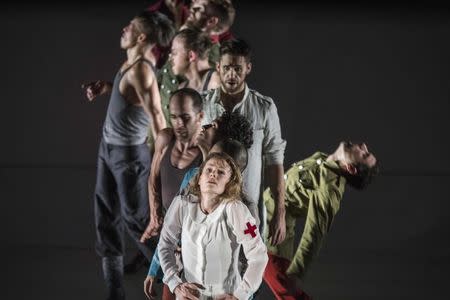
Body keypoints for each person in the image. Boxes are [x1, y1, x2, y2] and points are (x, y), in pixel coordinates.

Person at [82, 11, 174, 300]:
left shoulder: (142, 70)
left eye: (130, 27)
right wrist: (108, 88)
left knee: (138, 222)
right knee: (106, 217)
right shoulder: (130, 63)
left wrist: (161, 163)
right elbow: (130, 96)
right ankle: (115, 290)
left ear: (142, 37)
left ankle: (175, 279)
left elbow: (158, 117)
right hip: (107, 149)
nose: (124, 29)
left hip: (129, 157)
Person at [263, 141, 379, 300]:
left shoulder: (330, 188)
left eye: (364, 154)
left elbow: (315, 231)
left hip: (271, 236)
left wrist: (297, 273)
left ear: (350, 168)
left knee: (287, 292)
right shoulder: (323, 160)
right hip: (258, 213)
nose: (364, 145)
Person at [202, 38, 287, 245]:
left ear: (248, 68)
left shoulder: (264, 108)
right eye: (227, 68)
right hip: (209, 206)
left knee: (249, 266)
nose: (232, 74)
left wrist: (280, 213)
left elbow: (274, 161)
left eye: (238, 69)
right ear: (218, 67)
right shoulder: (203, 105)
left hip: (248, 208)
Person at [158, 152, 268, 299]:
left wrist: (240, 295)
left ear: (229, 183)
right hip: (189, 295)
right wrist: (175, 284)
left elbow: (258, 255)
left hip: (226, 295)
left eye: (221, 172)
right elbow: (165, 244)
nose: (213, 174)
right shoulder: (181, 205)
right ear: (199, 179)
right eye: (209, 170)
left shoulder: (236, 209)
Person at [140, 87, 205, 243]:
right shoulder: (165, 138)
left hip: (196, 234)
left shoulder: (207, 149)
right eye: (174, 117)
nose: (179, 123)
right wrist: (155, 216)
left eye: (185, 117)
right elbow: (153, 177)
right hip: (167, 228)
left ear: (200, 116)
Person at [169, 28, 221, 92]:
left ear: (191, 56)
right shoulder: (182, 88)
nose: (170, 58)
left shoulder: (216, 81)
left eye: (174, 53)